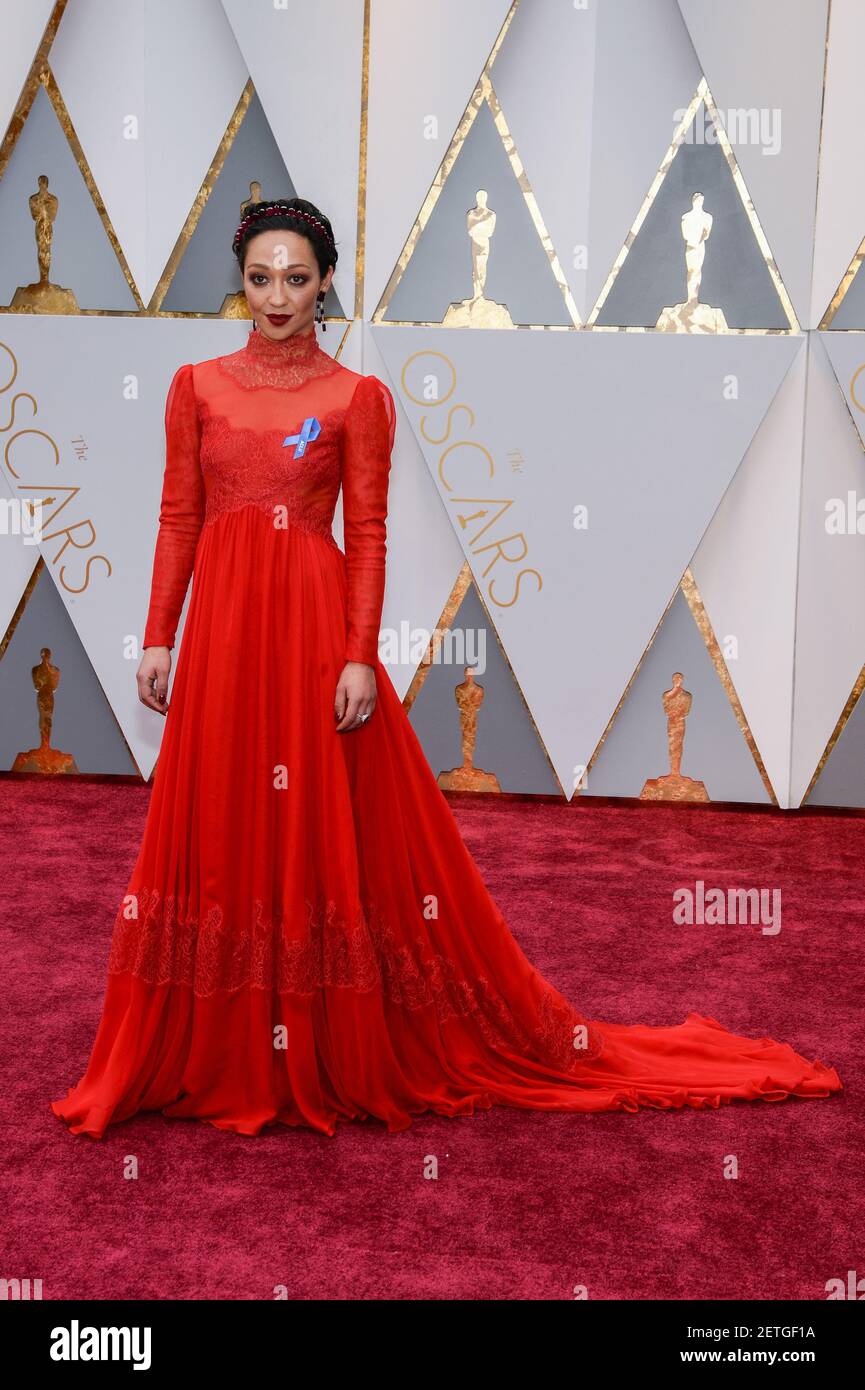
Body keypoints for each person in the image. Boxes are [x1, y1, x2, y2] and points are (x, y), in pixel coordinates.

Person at [51, 197, 842, 1139]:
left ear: (326, 282)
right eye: (260, 278)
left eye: (296, 279)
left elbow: (371, 533)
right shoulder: (195, 387)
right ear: (240, 277)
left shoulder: (355, 399)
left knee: (319, 830)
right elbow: (178, 516)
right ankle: (209, 1046)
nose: (276, 297)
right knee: (221, 820)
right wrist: (156, 634)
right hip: (220, 638)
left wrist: (356, 658)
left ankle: (314, 1042)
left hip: (308, 633)